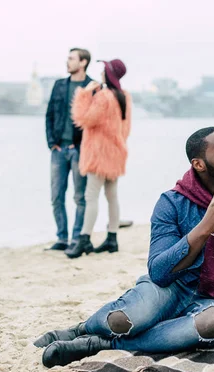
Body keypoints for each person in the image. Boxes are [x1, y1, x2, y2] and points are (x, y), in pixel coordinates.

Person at [34, 127, 214, 368]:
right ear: (199, 164)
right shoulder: (172, 202)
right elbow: (159, 272)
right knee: (123, 319)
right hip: (174, 287)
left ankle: (100, 345)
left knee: (212, 324)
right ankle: (81, 329)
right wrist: (206, 226)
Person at [65, 59, 131, 258]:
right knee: (112, 196)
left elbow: (83, 119)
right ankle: (112, 238)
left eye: (104, 69)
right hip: (116, 152)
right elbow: (126, 128)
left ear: (109, 74)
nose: (101, 72)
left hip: (99, 154)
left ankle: (84, 239)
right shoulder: (124, 96)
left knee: (90, 196)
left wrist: (84, 94)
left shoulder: (104, 96)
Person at [45, 48, 93, 251]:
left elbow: (93, 120)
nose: (68, 62)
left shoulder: (92, 87)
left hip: (80, 150)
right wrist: (51, 142)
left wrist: (81, 143)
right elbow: (49, 115)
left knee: (79, 197)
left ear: (83, 62)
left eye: (71, 58)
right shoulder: (59, 85)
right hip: (58, 149)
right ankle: (62, 238)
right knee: (56, 196)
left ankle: (76, 239)